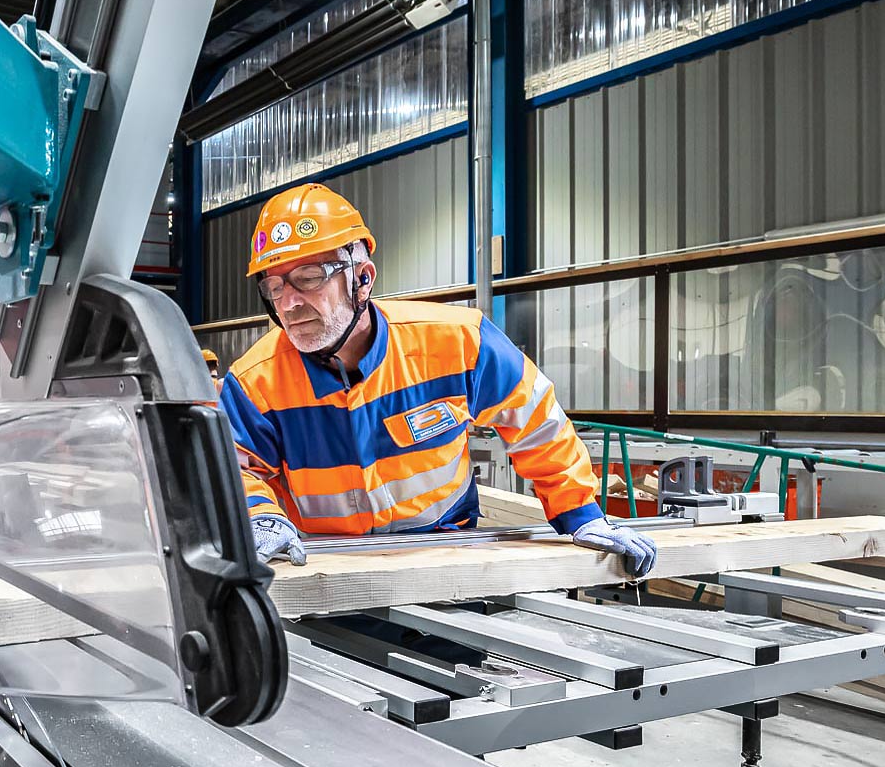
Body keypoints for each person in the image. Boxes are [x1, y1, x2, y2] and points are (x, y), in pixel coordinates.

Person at [218, 183, 656, 577]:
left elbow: (536, 421)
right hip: (325, 569)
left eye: (309, 278)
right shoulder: (256, 381)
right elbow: (237, 468)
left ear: (363, 278)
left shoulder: (459, 341)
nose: (289, 303)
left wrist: (579, 511)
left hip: (445, 559)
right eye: (275, 287)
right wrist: (260, 517)